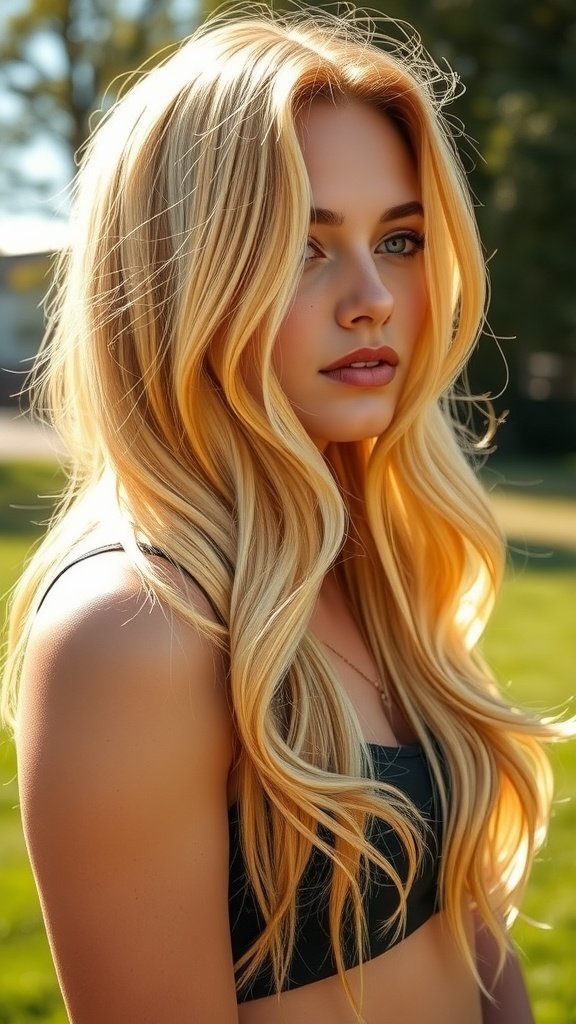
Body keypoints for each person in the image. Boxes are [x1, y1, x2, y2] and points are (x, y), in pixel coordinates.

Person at [2, 7, 568, 1022]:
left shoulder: (374, 555)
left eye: (400, 239)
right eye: (305, 248)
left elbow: (474, 937)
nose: (373, 298)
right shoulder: (135, 627)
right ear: (180, 275)